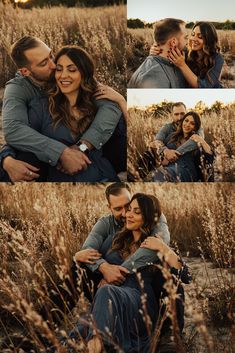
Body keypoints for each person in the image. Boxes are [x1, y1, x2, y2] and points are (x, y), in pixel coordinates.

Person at [74, 193, 191, 353]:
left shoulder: (155, 243)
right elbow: (90, 254)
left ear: (148, 217)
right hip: (110, 298)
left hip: (139, 300)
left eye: (137, 212)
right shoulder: (116, 239)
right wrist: (80, 255)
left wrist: (164, 248)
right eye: (129, 210)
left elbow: (186, 276)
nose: (128, 215)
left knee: (105, 291)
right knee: (81, 329)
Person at [0, 36, 125, 182]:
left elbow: (108, 105)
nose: (54, 65)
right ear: (25, 72)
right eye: (44, 63)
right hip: (52, 156)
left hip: (96, 154)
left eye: (51, 55)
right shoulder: (19, 90)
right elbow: (15, 130)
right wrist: (6, 159)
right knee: (20, 163)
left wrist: (82, 146)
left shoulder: (64, 69)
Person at [136, 102, 205, 179]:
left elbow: (197, 140)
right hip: (164, 156)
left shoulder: (196, 127)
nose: (179, 117)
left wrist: (174, 154)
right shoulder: (167, 127)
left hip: (184, 162)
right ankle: (137, 177)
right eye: (176, 114)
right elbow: (157, 141)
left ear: (186, 113)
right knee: (148, 153)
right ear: (172, 115)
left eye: (182, 114)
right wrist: (166, 152)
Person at [150, 21, 224, 88]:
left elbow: (204, 86)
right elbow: (166, 51)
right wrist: (156, 49)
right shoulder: (185, 51)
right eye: (193, 34)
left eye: (200, 37)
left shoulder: (218, 58)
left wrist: (182, 65)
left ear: (209, 39)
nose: (194, 39)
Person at [152, 112, 214, 182]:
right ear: (183, 121)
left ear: (196, 127)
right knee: (158, 174)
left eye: (192, 123)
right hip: (168, 167)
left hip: (186, 170)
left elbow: (210, 156)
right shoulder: (172, 136)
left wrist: (202, 141)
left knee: (161, 174)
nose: (187, 125)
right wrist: (164, 153)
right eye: (186, 121)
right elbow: (156, 144)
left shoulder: (196, 140)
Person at [128, 18, 188, 88]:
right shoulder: (154, 78)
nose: (188, 42)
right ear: (173, 42)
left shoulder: (177, 60)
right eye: (185, 38)